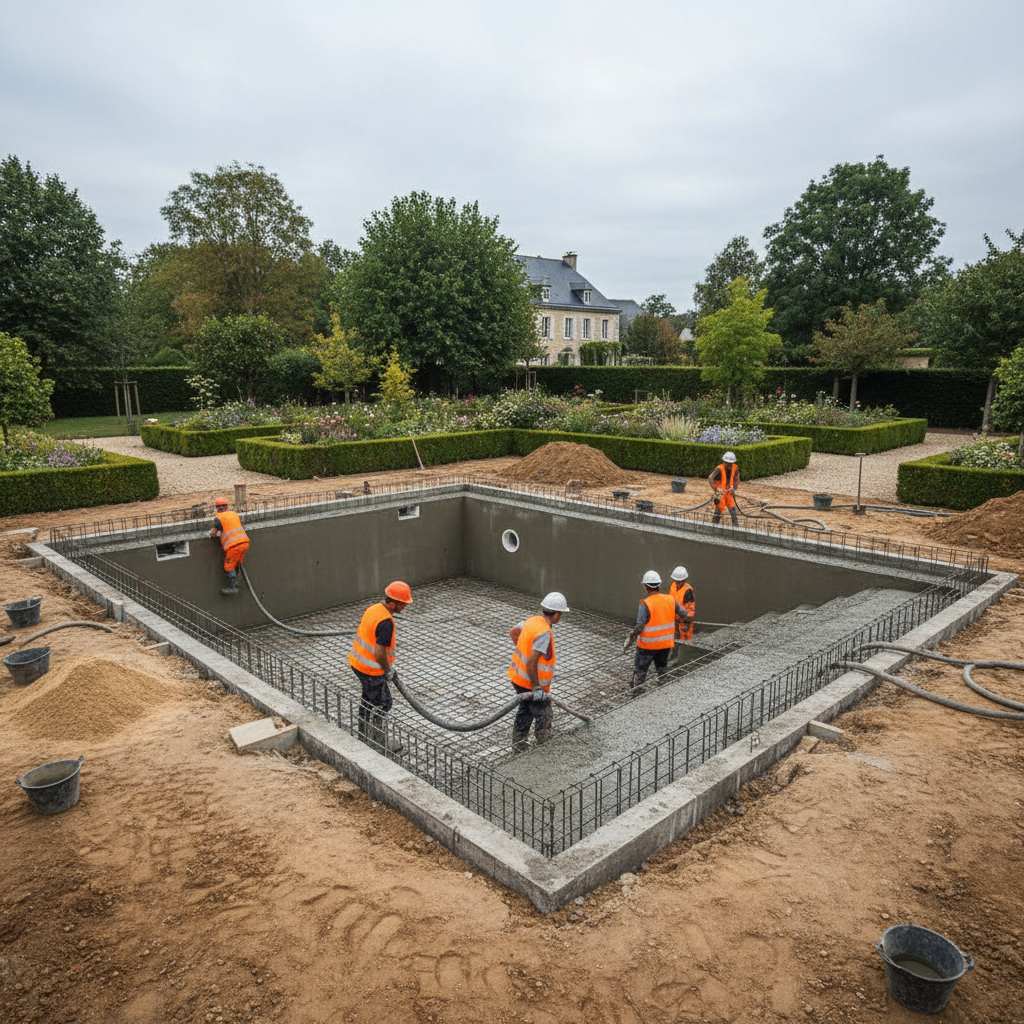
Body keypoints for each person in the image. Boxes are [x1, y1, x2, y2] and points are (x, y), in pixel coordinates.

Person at [347, 581, 413, 753]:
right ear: (393, 602)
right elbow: (379, 652)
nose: (405, 606)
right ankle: (378, 742)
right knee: (384, 703)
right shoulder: (385, 622)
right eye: (403, 603)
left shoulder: (374, 609)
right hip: (371, 670)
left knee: (368, 700)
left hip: (358, 664)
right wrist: (387, 670)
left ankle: (364, 735)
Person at [507, 592, 569, 752]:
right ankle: (544, 746)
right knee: (544, 713)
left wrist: (523, 648)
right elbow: (531, 662)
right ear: (556, 614)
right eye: (561, 614)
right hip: (529, 683)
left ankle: (519, 744)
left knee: (526, 710)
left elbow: (513, 632)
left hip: (517, 678)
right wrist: (536, 687)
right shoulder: (544, 633)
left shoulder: (532, 621)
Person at [626, 570, 687, 691]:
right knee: (662, 669)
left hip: (647, 647)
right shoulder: (670, 599)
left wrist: (631, 637)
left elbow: (639, 626)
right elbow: (684, 614)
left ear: (645, 586)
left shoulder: (645, 603)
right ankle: (663, 690)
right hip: (665, 644)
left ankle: (637, 693)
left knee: (641, 671)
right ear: (659, 584)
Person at [209, 497, 250, 596]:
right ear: (227, 506)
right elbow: (242, 527)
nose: (221, 507)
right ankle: (236, 582)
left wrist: (216, 533)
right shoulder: (234, 514)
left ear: (216, 508)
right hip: (245, 543)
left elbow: (213, 534)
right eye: (220, 506)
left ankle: (233, 588)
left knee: (228, 566)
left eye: (221, 506)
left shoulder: (218, 518)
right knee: (236, 563)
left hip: (234, 547)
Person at [669, 565, 696, 658]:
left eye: (679, 581)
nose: (677, 583)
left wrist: (686, 622)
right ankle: (674, 656)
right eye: (676, 580)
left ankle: (685, 658)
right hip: (675, 620)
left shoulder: (688, 590)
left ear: (684, 580)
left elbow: (690, 610)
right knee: (674, 640)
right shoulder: (673, 586)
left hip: (684, 622)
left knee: (685, 642)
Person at [708, 450, 740, 526]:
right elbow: (710, 478)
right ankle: (714, 526)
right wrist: (716, 489)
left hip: (729, 492)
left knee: (733, 510)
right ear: (724, 461)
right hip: (720, 493)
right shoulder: (719, 468)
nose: (728, 465)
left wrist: (734, 489)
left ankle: (736, 528)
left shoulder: (735, 468)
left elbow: (737, 479)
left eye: (730, 463)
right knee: (718, 510)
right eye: (727, 463)